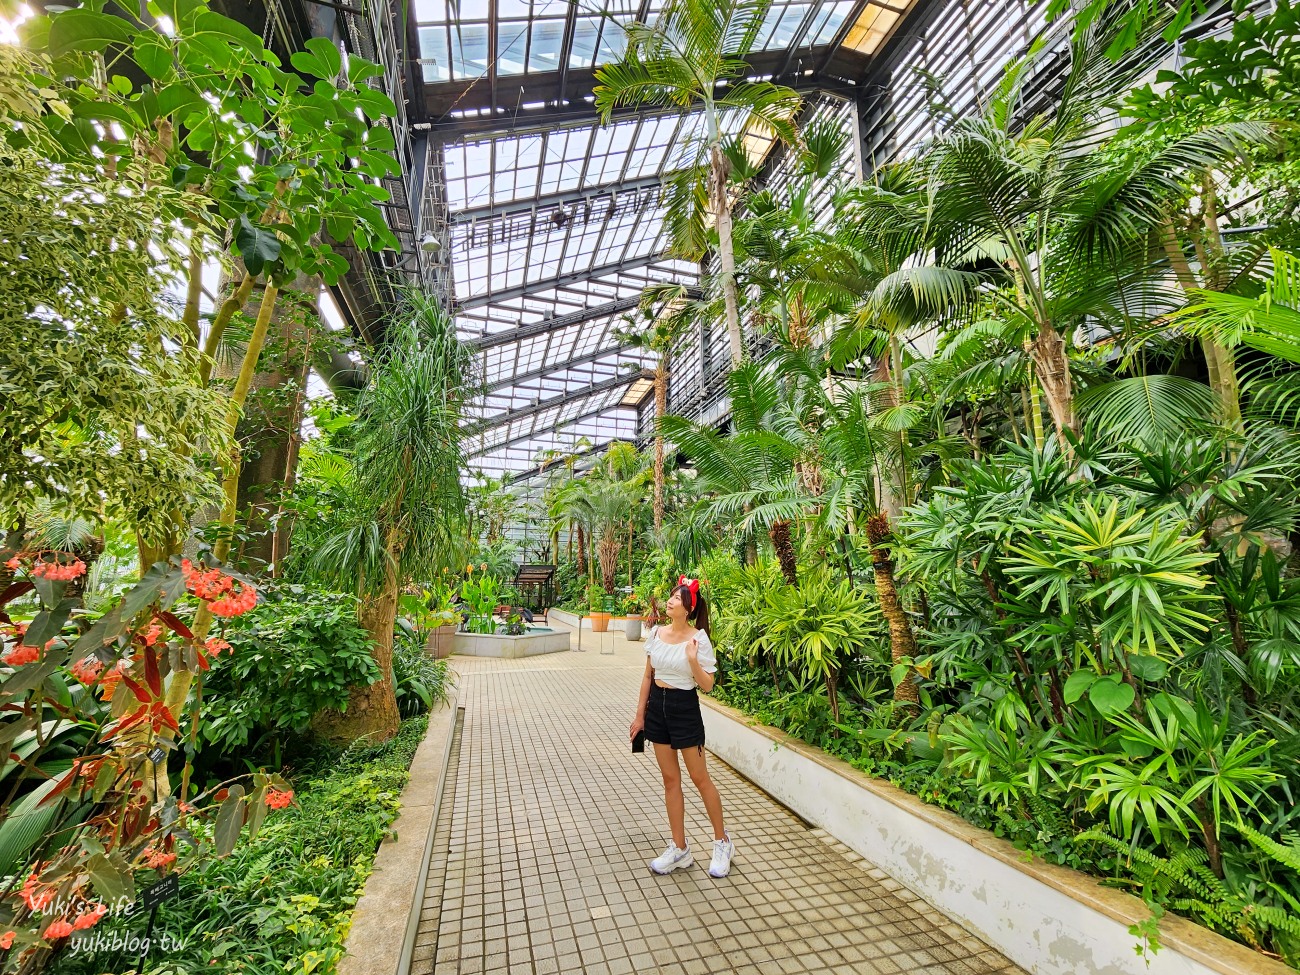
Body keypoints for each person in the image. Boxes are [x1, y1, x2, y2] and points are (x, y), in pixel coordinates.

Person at [628, 575, 734, 878]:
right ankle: (680, 848)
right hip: (657, 709)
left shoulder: (698, 639)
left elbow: (708, 685)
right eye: (671, 597)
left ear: (687, 608)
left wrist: (693, 660)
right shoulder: (657, 633)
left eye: (676, 598)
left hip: (684, 708)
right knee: (670, 780)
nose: (670, 600)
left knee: (700, 779)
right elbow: (648, 677)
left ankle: (722, 842)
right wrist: (640, 717)